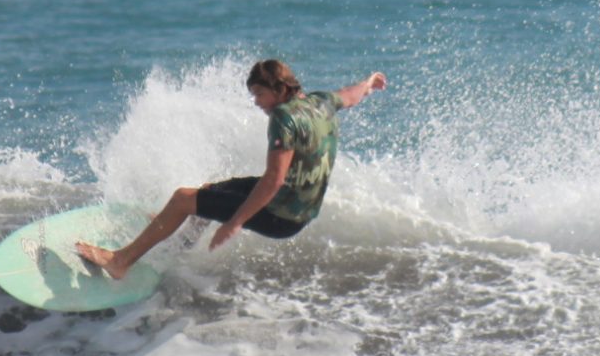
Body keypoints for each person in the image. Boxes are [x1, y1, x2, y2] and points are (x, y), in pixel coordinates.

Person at [76, 59, 387, 280]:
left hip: (281, 215)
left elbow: (273, 180)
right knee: (208, 193)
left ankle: (120, 261)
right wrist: (369, 83)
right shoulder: (321, 102)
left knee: (184, 197)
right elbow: (351, 95)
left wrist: (235, 222)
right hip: (302, 207)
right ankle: (175, 242)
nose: (256, 102)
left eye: (259, 94)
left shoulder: (284, 118)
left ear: (279, 90)